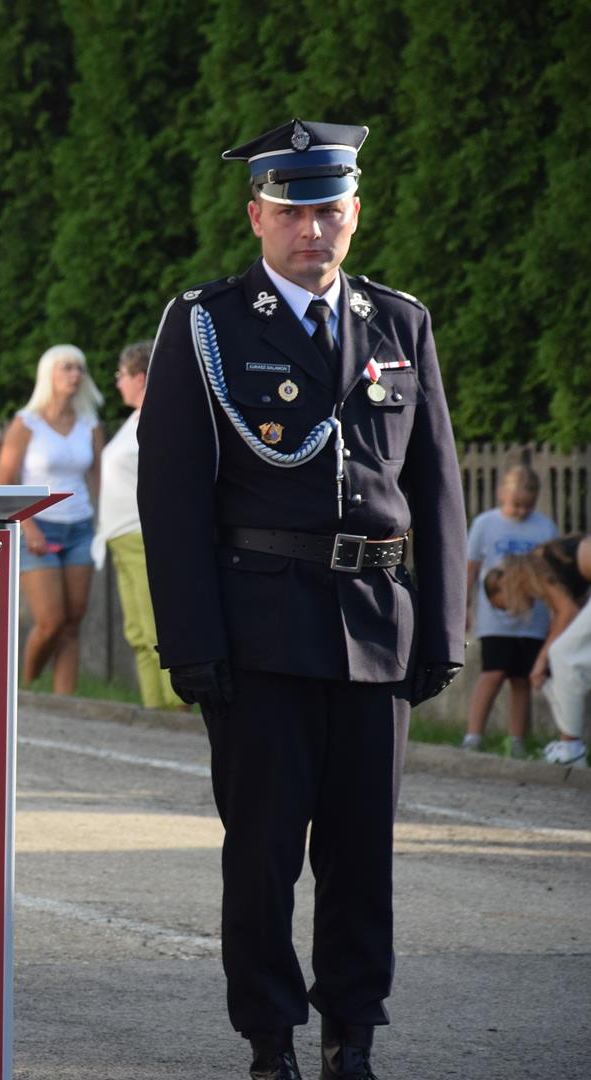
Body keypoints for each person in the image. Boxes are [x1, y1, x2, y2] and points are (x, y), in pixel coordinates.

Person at [136, 119, 464, 1080]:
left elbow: (437, 484)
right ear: (257, 217)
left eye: (330, 208)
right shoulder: (206, 323)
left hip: (374, 626)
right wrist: (191, 637)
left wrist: (437, 626)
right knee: (266, 856)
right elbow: (172, 493)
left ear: (355, 214)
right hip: (261, 631)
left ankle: (352, 1034)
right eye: (292, 210)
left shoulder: (400, 324)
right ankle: (270, 1038)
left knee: (364, 857)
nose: (312, 229)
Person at [0, 344, 103, 691]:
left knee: (72, 623)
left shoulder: (89, 423)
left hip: (81, 528)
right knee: (50, 622)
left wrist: (101, 523)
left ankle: (65, 705)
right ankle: (26, 692)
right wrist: (28, 526)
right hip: (38, 531)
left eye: (79, 368)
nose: (76, 375)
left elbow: (98, 477)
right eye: (67, 368)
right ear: (49, 375)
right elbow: (4, 481)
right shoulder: (26, 423)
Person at [92, 339, 182, 709]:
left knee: (154, 629)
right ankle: (153, 710)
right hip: (121, 537)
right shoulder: (135, 419)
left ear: (141, 377)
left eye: (122, 375)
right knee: (136, 632)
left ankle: (174, 709)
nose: (117, 383)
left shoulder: (162, 417)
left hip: (142, 535)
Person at [463, 465, 556, 756]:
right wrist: (464, 605)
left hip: (533, 618)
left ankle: (516, 742)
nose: (520, 511)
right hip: (495, 618)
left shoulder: (544, 528)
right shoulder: (485, 524)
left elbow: (552, 574)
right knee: (493, 672)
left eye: (527, 505)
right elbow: (471, 568)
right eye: (515, 504)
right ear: (501, 493)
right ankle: (473, 737)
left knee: (522, 678)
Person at [488, 535, 591, 766]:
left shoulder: (535, 563)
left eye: (504, 604)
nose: (512, 609)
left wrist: (540, 660)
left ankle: (571, 749)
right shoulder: (543, 562)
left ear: (505, 584)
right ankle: (569, 744)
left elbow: (567, 612)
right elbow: (563, 617)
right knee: (568, 657)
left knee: (562, 656)